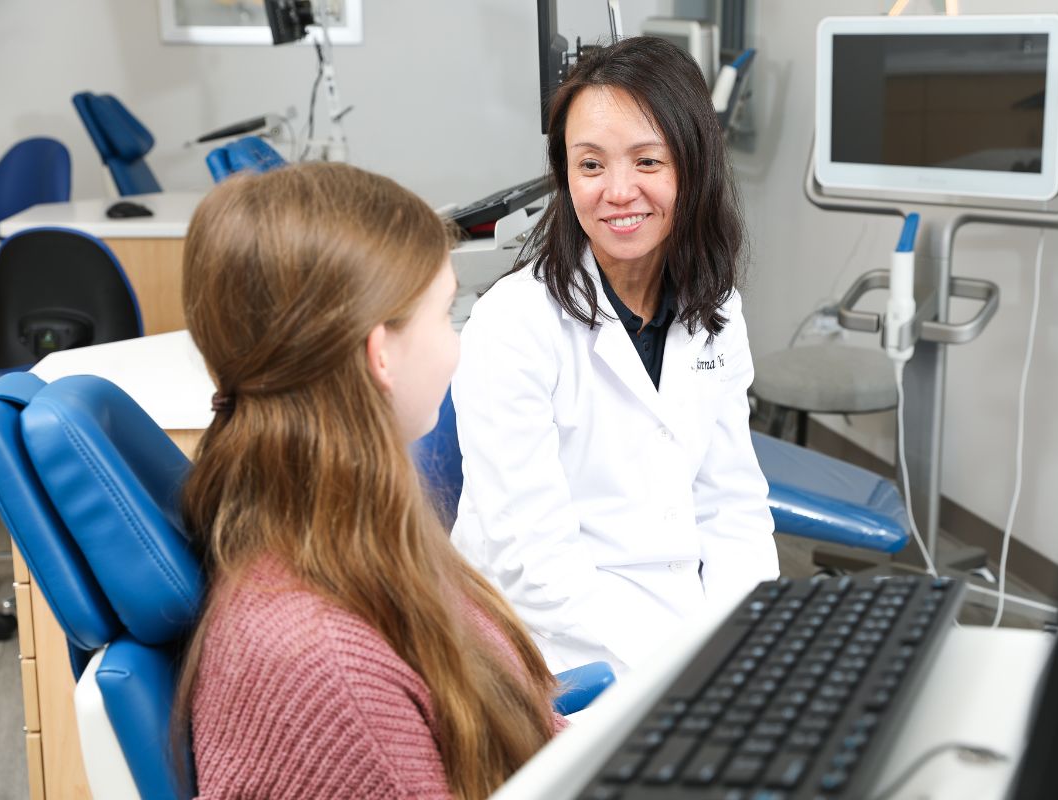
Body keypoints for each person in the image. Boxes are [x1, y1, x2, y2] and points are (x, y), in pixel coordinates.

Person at [172, 163, 564, 800]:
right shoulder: (320, 664)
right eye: (446, 314)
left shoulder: (347, 541)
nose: (456, 345)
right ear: (380, 353)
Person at [450, 37, 778, 677]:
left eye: (647, 161)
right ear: (565, 174)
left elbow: (730, 504)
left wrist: (750, 639)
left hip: (682, 626)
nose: (618, 191)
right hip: (550, 648)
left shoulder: (718, 308)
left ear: (693, 165)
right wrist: (682, 665)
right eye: (591, 165)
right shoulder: (514, 324)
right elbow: (535, 564)